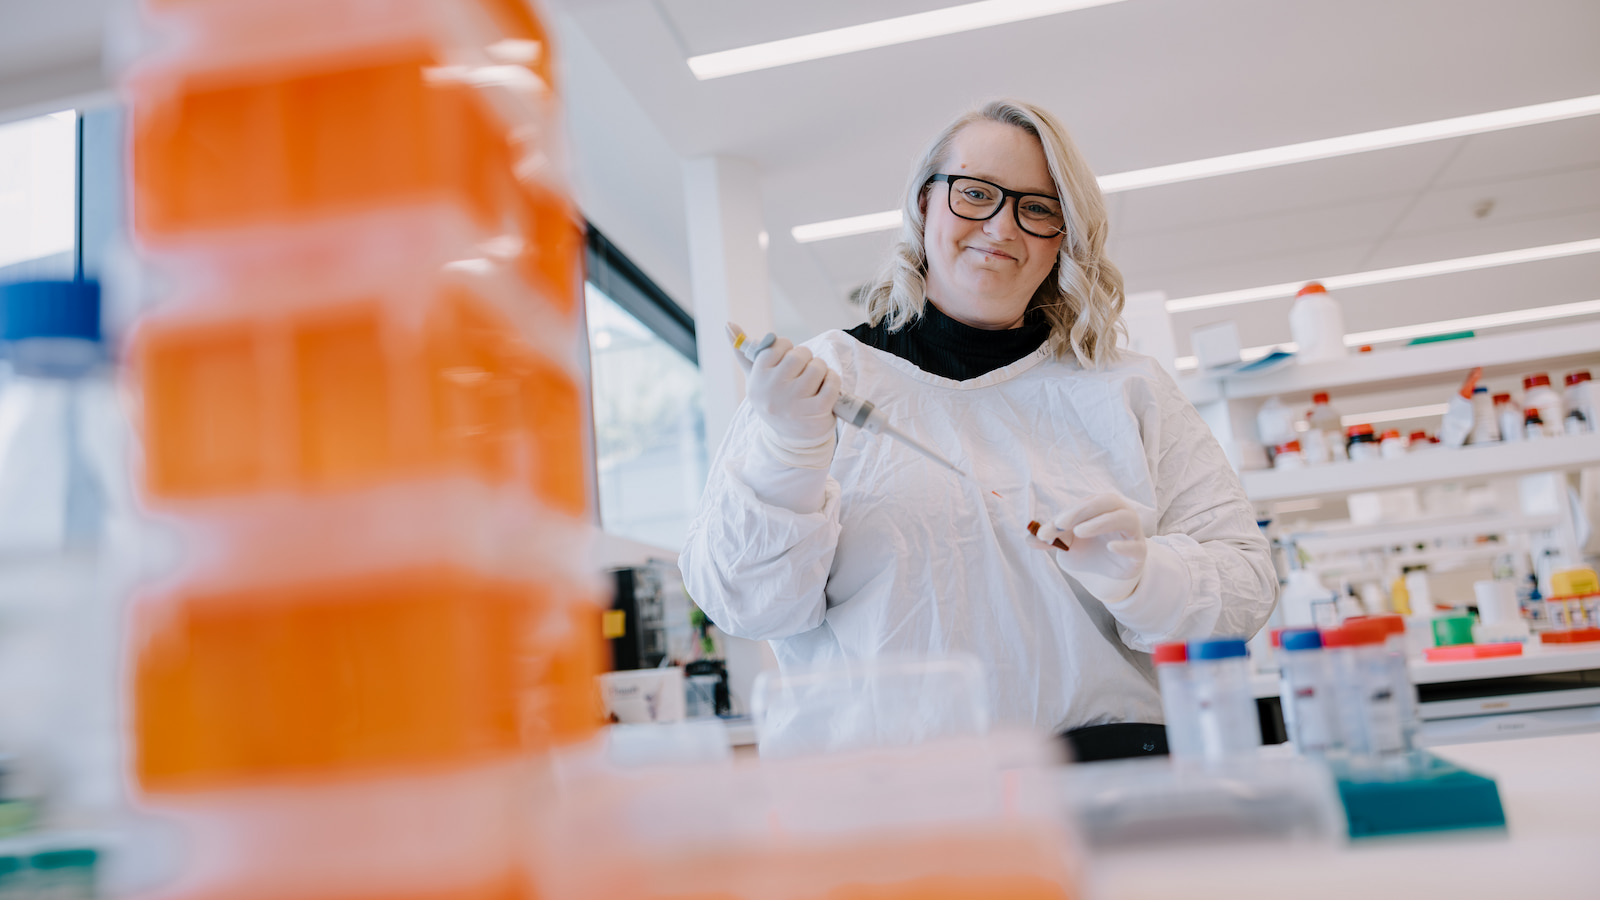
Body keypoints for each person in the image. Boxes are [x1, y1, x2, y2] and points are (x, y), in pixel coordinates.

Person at [680, 99, 1276, 760]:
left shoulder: (1126, 388)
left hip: (1108, 782)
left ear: (1065, 237)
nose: (1000, 226)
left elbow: (1247, 587)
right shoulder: (817, 380)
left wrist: (1146, 578)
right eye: (974, 193)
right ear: (924, 205)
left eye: (1039, 207)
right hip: (893, 803)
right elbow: (743, 605)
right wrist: (787, 453)